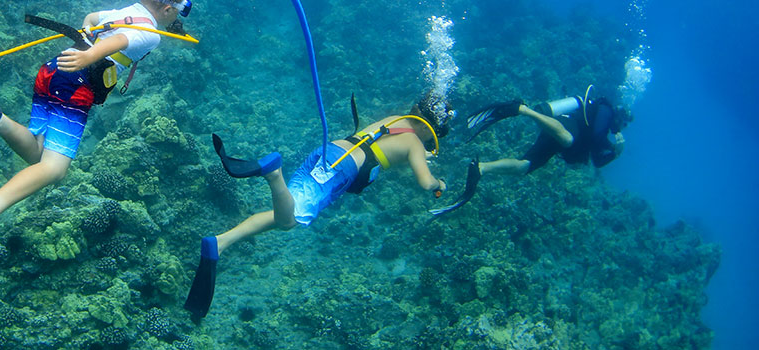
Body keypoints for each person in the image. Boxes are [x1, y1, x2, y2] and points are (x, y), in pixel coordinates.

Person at [0, 0, 192, 290]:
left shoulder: (122, 11)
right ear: (168, 9)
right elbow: (122, 40)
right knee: (55, 168)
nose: (175, 20)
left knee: (38, 150)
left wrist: (87, 45)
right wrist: (90, 55)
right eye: (177, 13)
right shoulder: (151, 32)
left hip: (53, 70)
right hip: (77, 84)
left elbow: (91, 18)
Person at [184, 95, 451, 319]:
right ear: (429, 128)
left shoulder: (396, 120)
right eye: (434, 137)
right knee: (291, 220)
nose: (429, 143)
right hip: (339, 169)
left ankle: (221, 242)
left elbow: (388, 146)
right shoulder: (415, 142)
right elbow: (425, 181)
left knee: (281, 218)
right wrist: (438, 182)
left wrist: (420, 154)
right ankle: (273, 174)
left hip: (329, 152)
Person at [465, 88, 630, 179]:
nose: (620, 127)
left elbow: (597, 161)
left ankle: (482, 168)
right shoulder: (606, 110)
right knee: (568, 139)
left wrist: (615, 153)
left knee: (524, 167)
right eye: (623, 123)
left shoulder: (604, 130)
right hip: (565, 126)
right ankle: (523, 110)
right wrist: (611, 146)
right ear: (619, 116)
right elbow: (596, 136)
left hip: (556, 138)